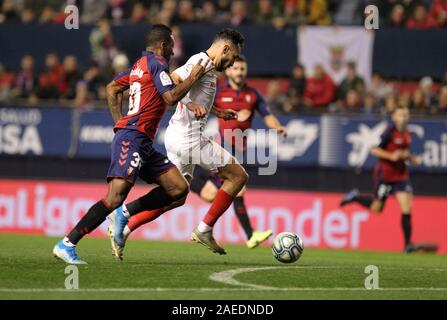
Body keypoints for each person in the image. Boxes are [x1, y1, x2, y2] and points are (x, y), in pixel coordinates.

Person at [52, 24, 210, 264]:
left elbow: (112, 87)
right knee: (115, 196)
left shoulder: (139, 65)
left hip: (141, 140)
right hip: (133, 138)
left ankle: (124, 213)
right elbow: (170, 98)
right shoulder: (157, 64)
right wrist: (193, 77)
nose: (173, 50)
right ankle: (67, 244)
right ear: (164, 45)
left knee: (178, 188)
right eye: (172, 45)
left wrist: (119, 123)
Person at [108, 29, 245, 260]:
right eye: (232, 58)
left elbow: (192, 93)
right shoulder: (201, 61)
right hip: (188, 138)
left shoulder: (206, 65)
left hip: (178, 136)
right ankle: (205, 229)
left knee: (175, 196)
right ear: (225, 49)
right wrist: (191, 105)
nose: (232, 63)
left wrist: (217, 111)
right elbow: (173, 82)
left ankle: (125, 223)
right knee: (238, 177)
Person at [340, 106, 421, 253]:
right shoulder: (389, 132)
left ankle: (408, 245)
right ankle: (355, 197)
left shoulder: (408, 134)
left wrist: (410, 157)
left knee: (406, 208)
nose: (404, 117)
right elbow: (374, 149)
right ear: (394, 117)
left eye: (406, 114)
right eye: (401, 114)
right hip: (385, 175)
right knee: (376, 208)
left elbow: (402, 152)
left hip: (401, 175)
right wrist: (391, 156)